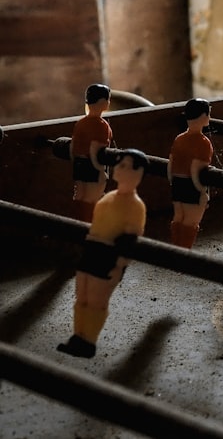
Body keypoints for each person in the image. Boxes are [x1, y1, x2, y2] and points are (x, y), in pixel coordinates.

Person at [57, 149, 148, 358]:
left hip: (109, 255)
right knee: (82, 294)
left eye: (125, 166)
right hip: (92, 249)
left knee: (97, 300)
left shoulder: (136, 206)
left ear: (139, 173)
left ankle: (88, 340)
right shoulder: (107, 198)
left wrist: (119, 266)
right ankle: (78, 336)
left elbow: (129, 242)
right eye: (119, 164)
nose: (118, 168)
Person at [168, 98, 213, 249]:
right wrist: (202, 190)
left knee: (178, 216)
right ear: (202, 117)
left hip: (177, 183)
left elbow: (171, 163)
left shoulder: (179, 138)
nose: (209, 118)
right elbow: (195, 169)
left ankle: (175, 249)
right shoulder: (203, 142)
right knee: (191, 221)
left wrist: (172, 181)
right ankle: (184, 252)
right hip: (191, 184)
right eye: (208, 114)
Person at [70, 83, 113, 223]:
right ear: (102, 102)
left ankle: (78, 223)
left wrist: (75, 162)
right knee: (93, 197)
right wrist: (100, 170)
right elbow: (95, 149)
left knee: (79, 196)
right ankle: (90, 225)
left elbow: (73, 147)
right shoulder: (101, 125)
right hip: (92, 165)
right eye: (108, 99)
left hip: (79, 164)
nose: (109, 102)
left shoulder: (80, 123)